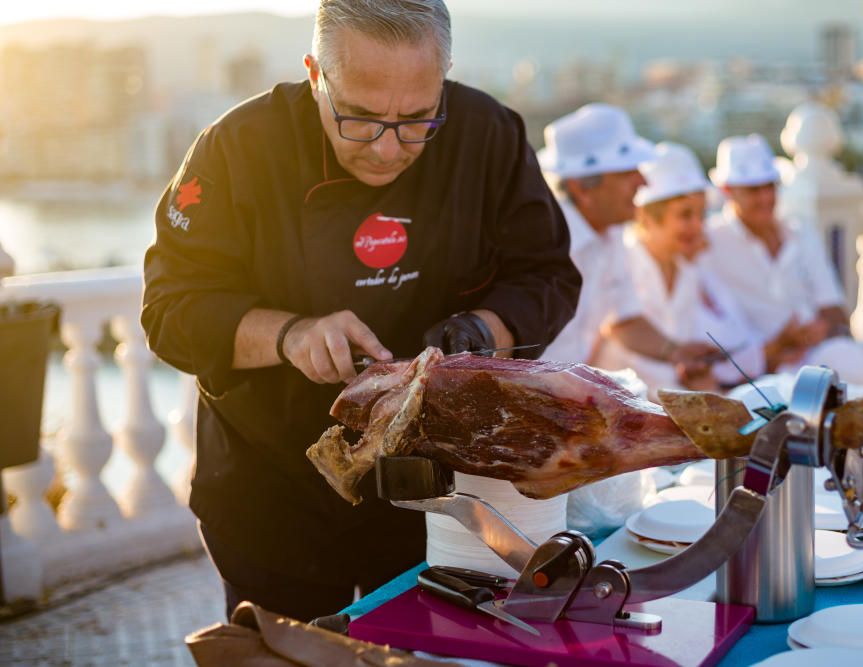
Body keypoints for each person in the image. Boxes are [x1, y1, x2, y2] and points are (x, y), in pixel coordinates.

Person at [141, 0, 581, 623]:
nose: (387, 148)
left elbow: (548, 274)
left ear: (445, 80)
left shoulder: (489, 133)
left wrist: (485, 330)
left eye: (418, 119)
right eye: (362, 118)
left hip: (437, 496)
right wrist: (291, 335)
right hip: (271, 489)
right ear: (315, 74)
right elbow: (169, 310)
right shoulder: (235, 149)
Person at [700, 134, 863, 390]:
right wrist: (780, 345)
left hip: (820, 353)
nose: (765, 197)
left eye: (769, 186)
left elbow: (835, 310)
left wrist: (820, 331)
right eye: (753, 190)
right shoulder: (710, 243)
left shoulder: (800, 232)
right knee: (850, 365)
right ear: (727, 190)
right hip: (768, 369)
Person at [594, 143, 804, 394]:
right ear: (646, 218)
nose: (697, 226)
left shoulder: (687, 271)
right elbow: (622, 346)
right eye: (685, 216)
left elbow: (725, 337)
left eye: (701, 215)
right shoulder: (623, 264)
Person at [536, 104, 716, 384]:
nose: (643, 181)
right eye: (626, 173)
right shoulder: (540, 244)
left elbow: (624, 320)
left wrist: (676, 351)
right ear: (581, 189)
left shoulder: (611, 234)